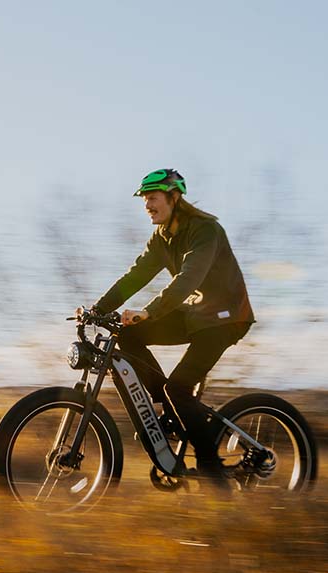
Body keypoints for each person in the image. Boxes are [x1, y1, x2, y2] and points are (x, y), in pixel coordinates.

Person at [87, 168, 255, 485]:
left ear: (174, 198)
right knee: (128, 334)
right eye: (145, 200)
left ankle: (212, 472)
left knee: (178, 388)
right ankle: (172, 410)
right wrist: (98, 308)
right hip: (194, 314)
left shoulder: (206, 230)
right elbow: (134, 278)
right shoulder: (161, 238)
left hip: (225, 318)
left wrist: (149, 311)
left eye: (152, 198)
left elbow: (188, 278)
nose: (147, 205)